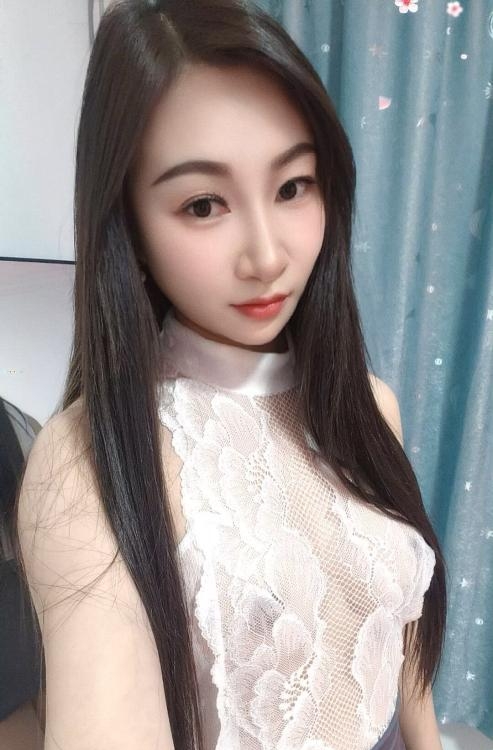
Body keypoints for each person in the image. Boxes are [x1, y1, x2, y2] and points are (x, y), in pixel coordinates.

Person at [13, 1, 447, 748]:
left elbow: (397, 629)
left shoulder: (370, 407)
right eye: (204, 204)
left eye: (293, 187)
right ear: (130, 227)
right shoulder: (88, 460)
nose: (268, 255)